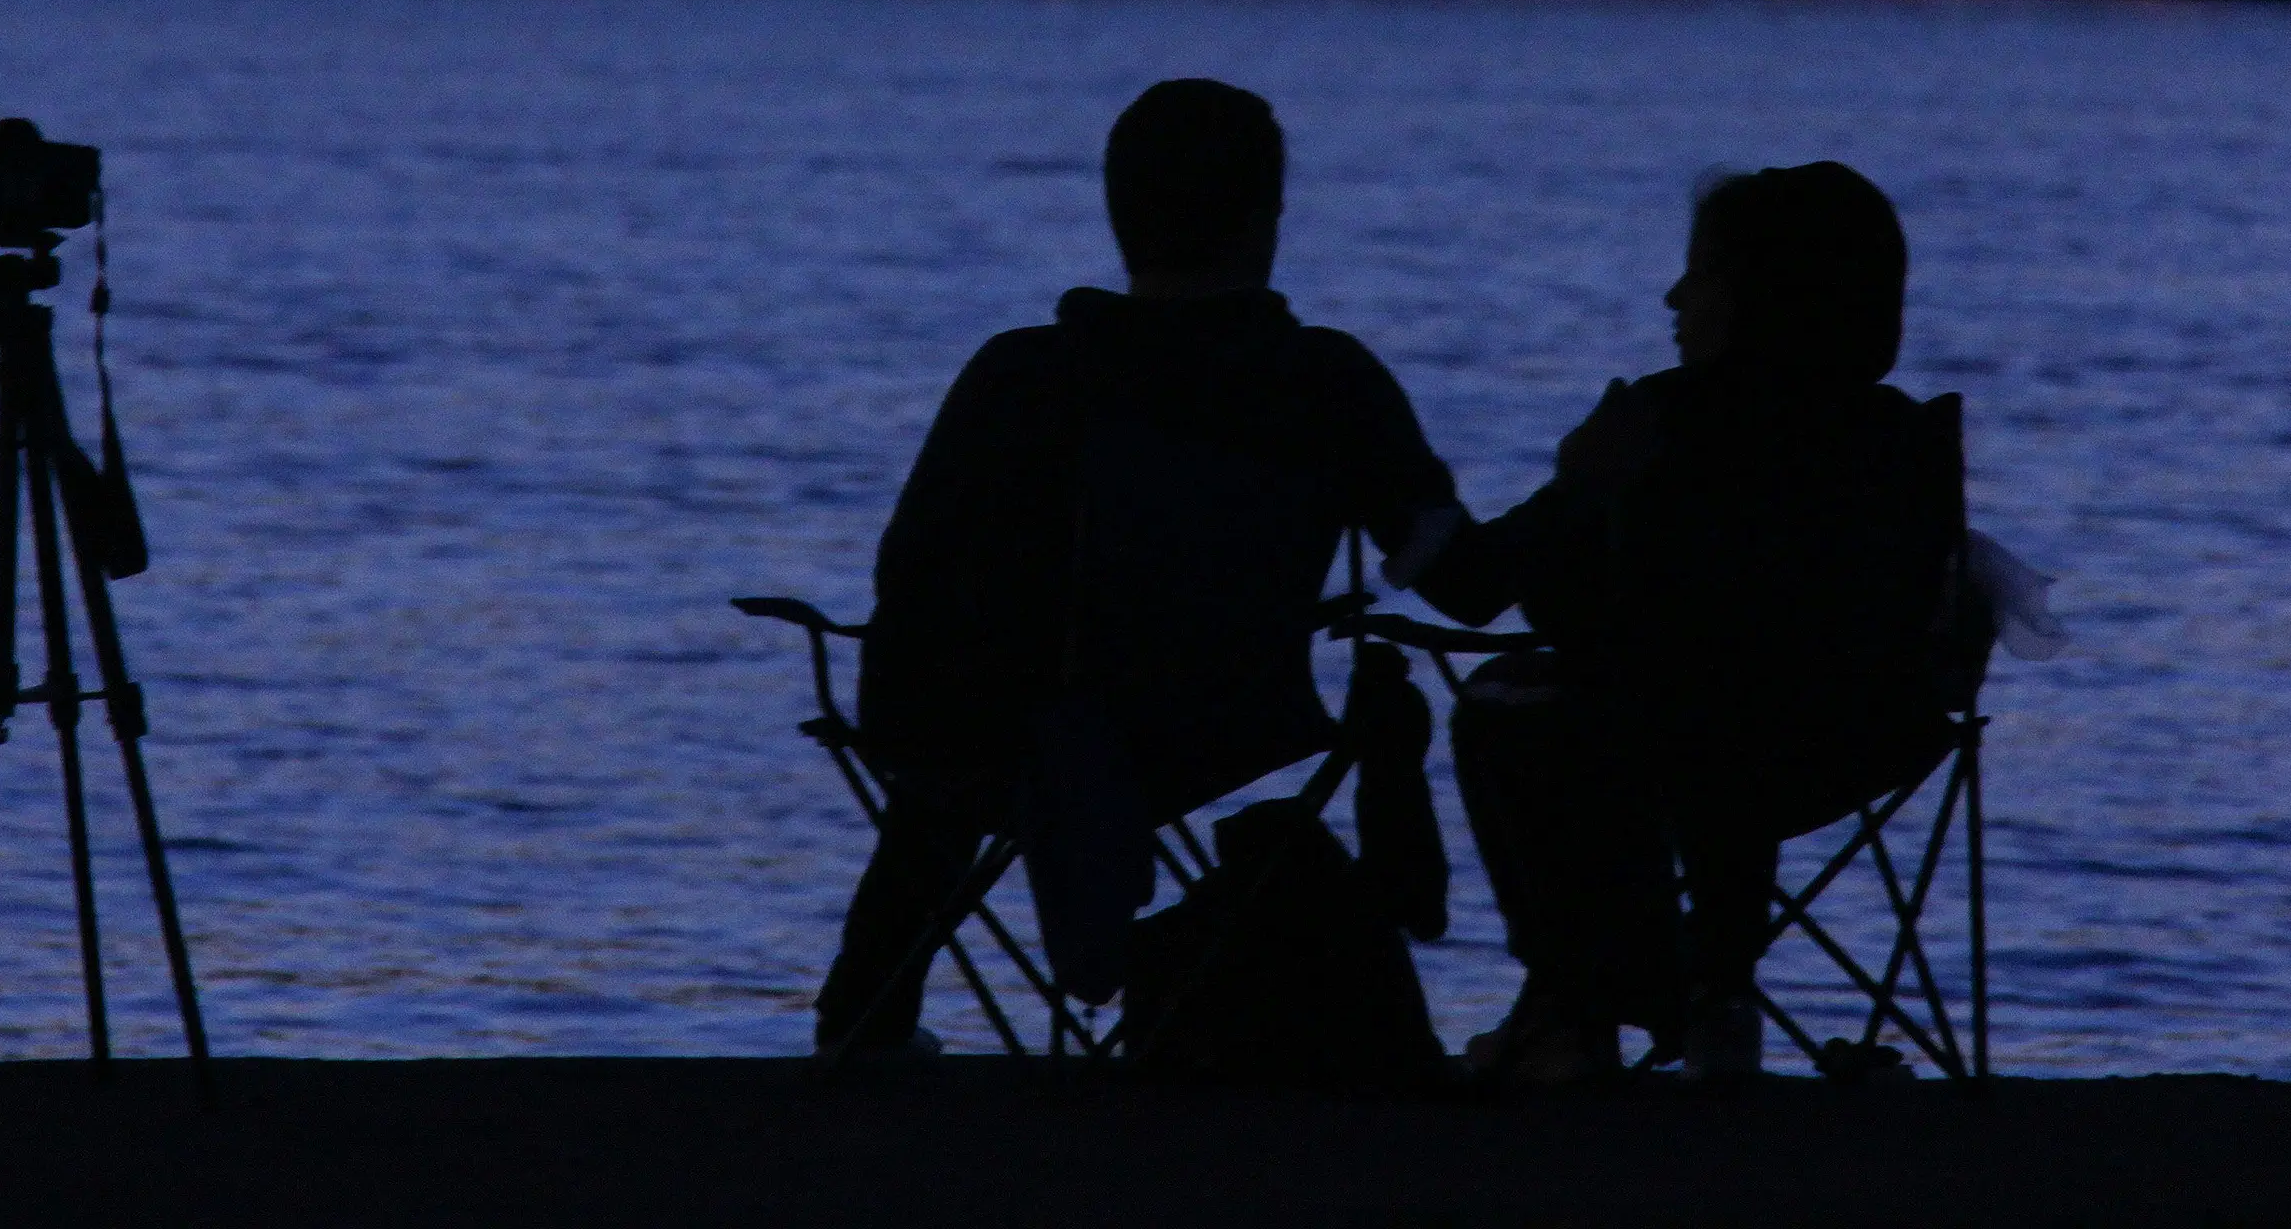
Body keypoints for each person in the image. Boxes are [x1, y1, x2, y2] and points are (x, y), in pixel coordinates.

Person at [810, 78, 1472, 1056]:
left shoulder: (1018, 376)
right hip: (1219, 721)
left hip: (1002, 729)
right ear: (1267, 216)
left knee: (980, 695)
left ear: (1118, 212)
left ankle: (866, 1011)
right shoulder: (1327, 383)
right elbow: (1453, 572)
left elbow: (913, 572)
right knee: (1037, 705)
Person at [1416, 162, 1983, 1087]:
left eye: (1702, 272)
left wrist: (1574, 487)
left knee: (1514, 705)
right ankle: (1718, 992)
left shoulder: (1663, 424)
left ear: (1760, 294)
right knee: (1723, 694)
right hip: (1861, 743)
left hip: (1675, 745)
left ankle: (1577, 1003)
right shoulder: (1901, 438)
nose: (1675, 296)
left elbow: (1523, 597)